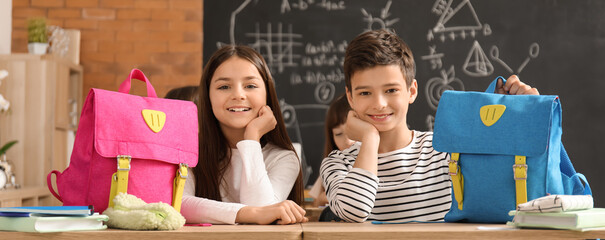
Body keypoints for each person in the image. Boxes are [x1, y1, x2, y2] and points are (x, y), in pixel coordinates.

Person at [320, 29, 539, 223]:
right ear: (350, 98)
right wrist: (369, 138)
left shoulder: (445, 151)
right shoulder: (337, 165)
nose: (379, 104)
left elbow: (513, 181)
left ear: (412, 91)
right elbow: (354, 211)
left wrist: (527, 113)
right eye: (365, 93)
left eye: (391, 90)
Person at [181, 45, 308, 225]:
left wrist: (252, 138)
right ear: (208, 96)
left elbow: (263, 213)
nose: (238, 95)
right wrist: (248, 213)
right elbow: (180, 204)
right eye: (224, 86)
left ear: (267, 95)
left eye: (250, 85)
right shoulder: (190, 152)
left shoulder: (284, 158)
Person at [308, 94, 354, 207]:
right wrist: (322, 199)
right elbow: (315, 208)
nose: (347, 141)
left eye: (353, 131)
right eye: (338, 134)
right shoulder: (332, 167)